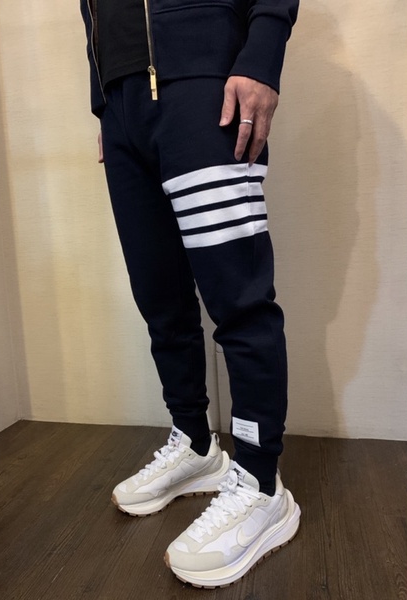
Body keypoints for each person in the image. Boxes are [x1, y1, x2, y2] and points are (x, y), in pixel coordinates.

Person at [80, 0, 301, 588]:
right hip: (122, 105)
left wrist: (262, 57)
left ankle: (261, 483)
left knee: (238, 299)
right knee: (160, 297)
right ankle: (197, 444)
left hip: (202, 87)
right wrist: (106, 100)